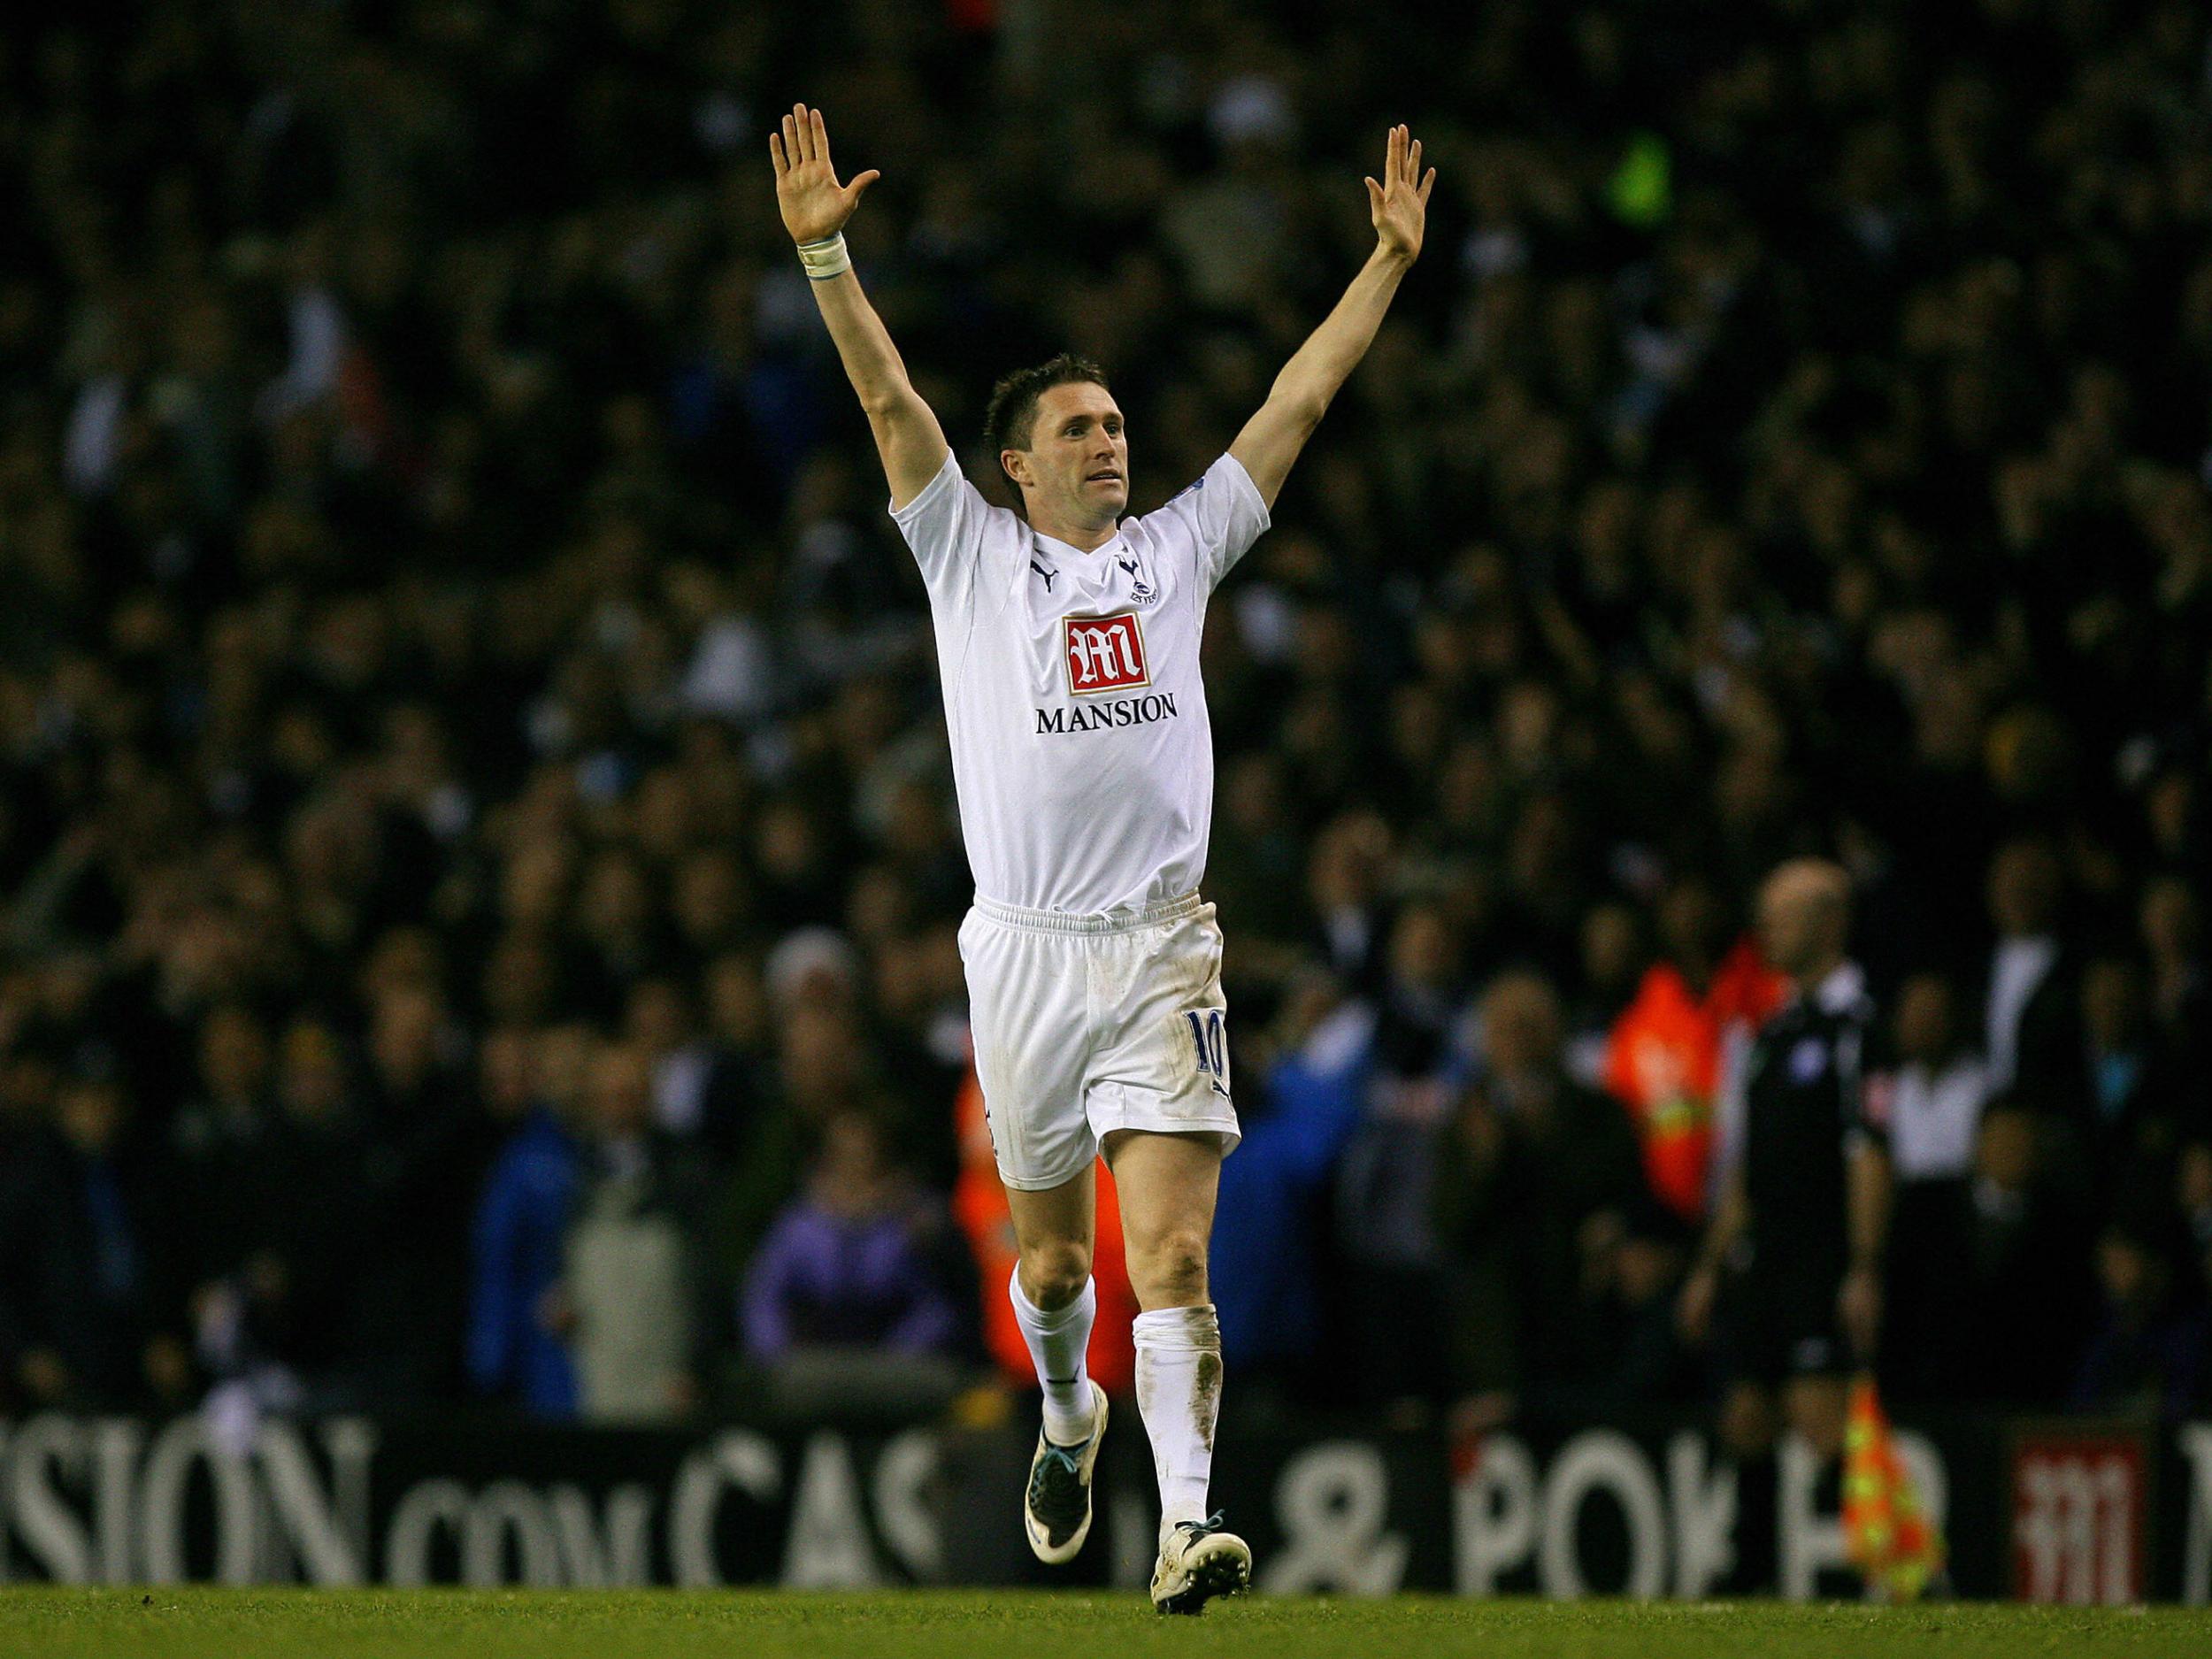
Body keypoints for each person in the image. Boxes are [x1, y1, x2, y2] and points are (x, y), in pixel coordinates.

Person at [770, 102, 1435, 1613]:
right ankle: (1069, 1415)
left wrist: (1386, 265)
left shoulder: (1181, 547)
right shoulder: (968, 557)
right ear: (1017, 465)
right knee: (1060, 1273)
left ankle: (1185, 1526)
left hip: (1159, 947)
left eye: (1119, 422)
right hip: (1020, 953)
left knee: (1177, 1262)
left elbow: (1300, 401)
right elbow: (885, 402)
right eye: (1080, 427)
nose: (1112, 438)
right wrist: (823, 250)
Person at [1678, 859, 1893, 1586]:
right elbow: (1744, 1165)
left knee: (1821, 1418)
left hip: (1819, 1253)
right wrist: (1711, 1265)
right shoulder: (1767, 1032)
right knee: (1744, 1416)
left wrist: (1864, 1264)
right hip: (1761, 1257)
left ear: (1832, 920)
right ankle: (1752, 1586)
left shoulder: (1857, 1023)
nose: (1766, 926)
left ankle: (1858, 1580)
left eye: (1785, 912)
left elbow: (1869, 1151)